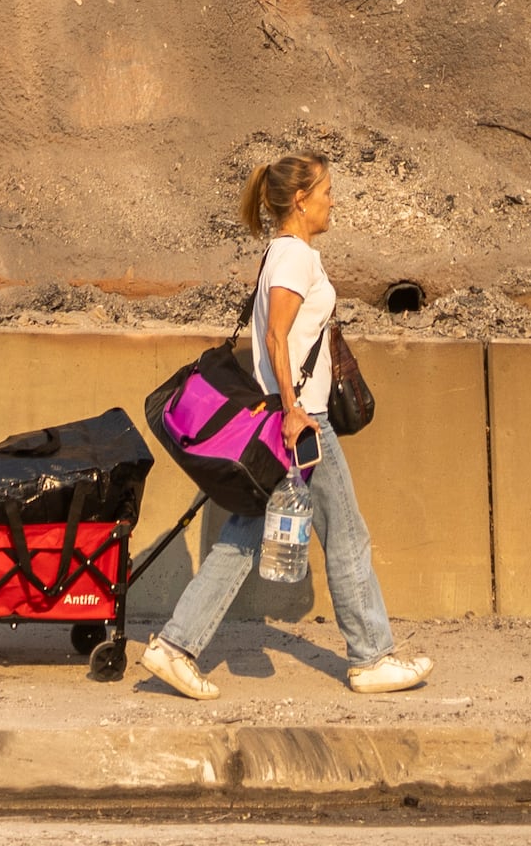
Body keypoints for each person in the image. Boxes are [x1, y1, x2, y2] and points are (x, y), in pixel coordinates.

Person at [133, 153, 428, 698]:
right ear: (300, 200)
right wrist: (294, 408)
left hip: (287, 420)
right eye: (326, 191)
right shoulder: (294, 257)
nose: (332, 201)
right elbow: (275, 339)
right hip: (301, 422)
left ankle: (174, 647)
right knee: (345, 535)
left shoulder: (283, 254)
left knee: (244, 539)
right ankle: (371, 657)